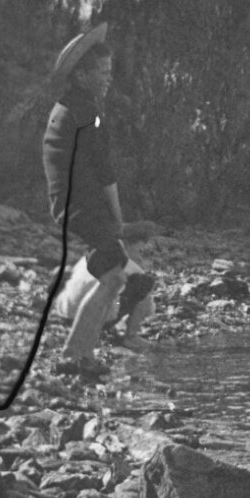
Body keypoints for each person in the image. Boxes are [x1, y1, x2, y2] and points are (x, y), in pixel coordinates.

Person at [41, 24, 155, 375]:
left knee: (112, 270)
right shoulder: (86, 112)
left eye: (109, 71)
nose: (108, 78)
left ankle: (82, 350)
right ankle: (76, 353)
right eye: (103, 72)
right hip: (83, 207)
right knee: (113, 276)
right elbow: (105, 172)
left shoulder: (67, 107)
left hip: (71, 206)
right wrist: (117, 219)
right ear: (82, 75)